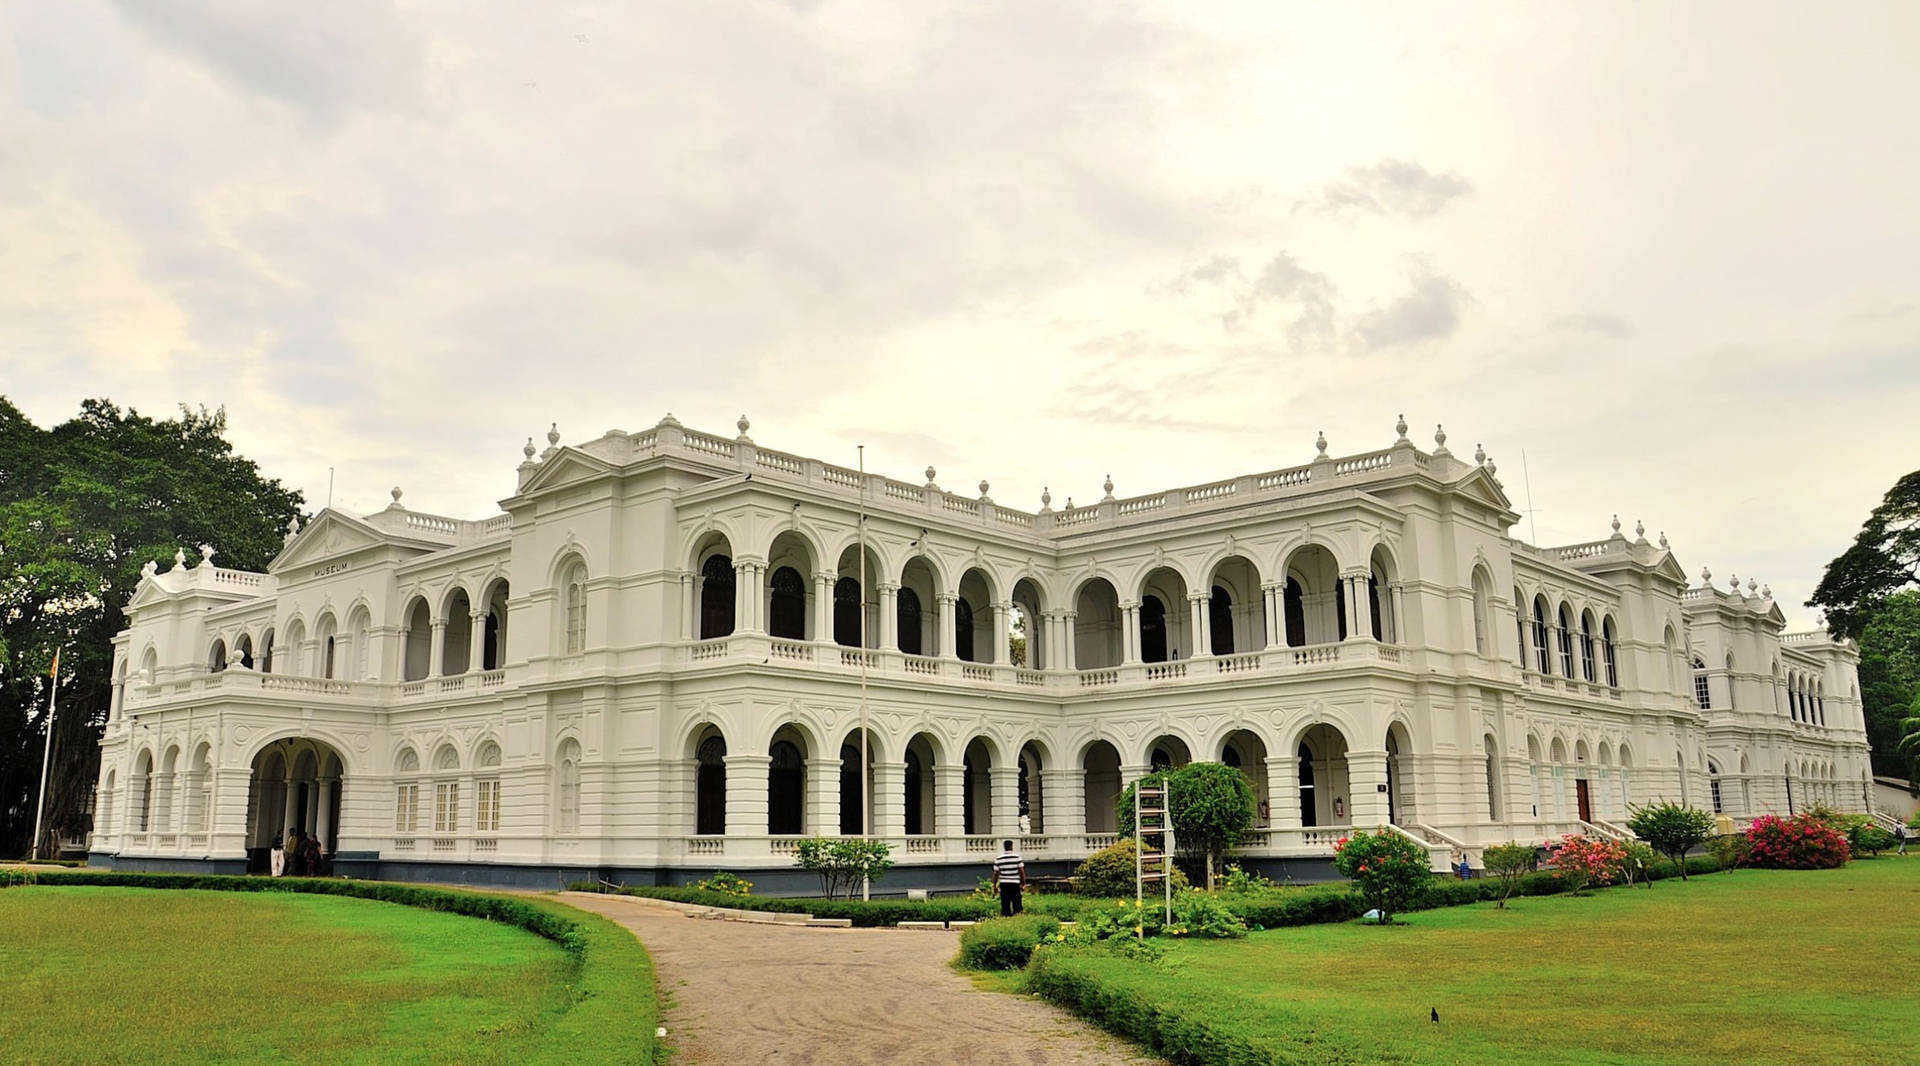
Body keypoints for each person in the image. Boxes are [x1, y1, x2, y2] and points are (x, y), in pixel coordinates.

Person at [993, 839, 1025, 916]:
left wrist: (994, 885)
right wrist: (1023, 883)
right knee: (1017, 902)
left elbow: (996, 873)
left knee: (1005, 903)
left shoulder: (999, 859)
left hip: (1004, 883)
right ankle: (1017, 917)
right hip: (1015, 883)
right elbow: (1021, 871)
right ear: (1011, 846)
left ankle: (1006, 917)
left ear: (1004, 847)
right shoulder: (1017, 857)